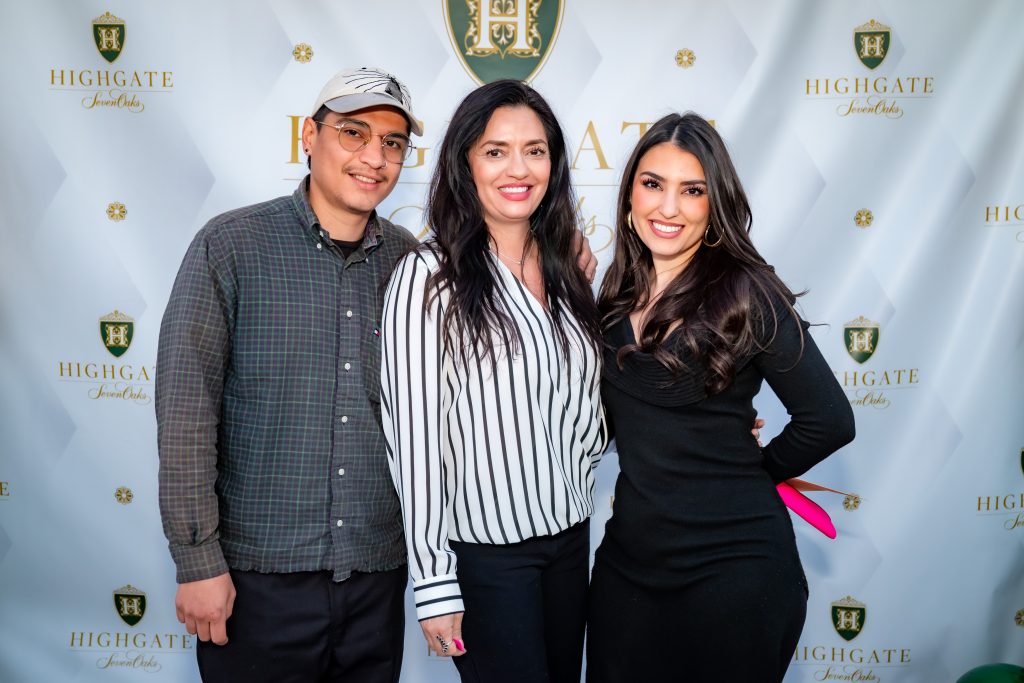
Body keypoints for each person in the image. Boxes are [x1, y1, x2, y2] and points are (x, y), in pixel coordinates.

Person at [155, 67, 423, 683]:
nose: (374, 157)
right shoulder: (232, 246)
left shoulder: (412, 264)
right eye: (353, 133)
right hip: (256, 582)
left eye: (392, 143)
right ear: (310, 135)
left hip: (375, 576)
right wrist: (197, 560)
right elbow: (187, 409)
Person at [586, 113, 856, 682]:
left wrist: (751, 471)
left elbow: (829, 420)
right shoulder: (612, 299)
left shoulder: (746, 292)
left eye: (692, 190)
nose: (668, 207)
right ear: (630, 191)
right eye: (653, 184)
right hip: (628, 570)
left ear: (714, 205)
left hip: (734, 569)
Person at [380, 80, 605, 683]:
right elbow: (414, 441)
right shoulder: (428, 277)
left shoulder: (570, 271)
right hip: (486, 560)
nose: (519, 168)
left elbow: (593, 412)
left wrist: (704, 418)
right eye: (496, 150)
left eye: (535, 150)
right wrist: (433, 581)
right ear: (465, 164)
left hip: (570, 539)